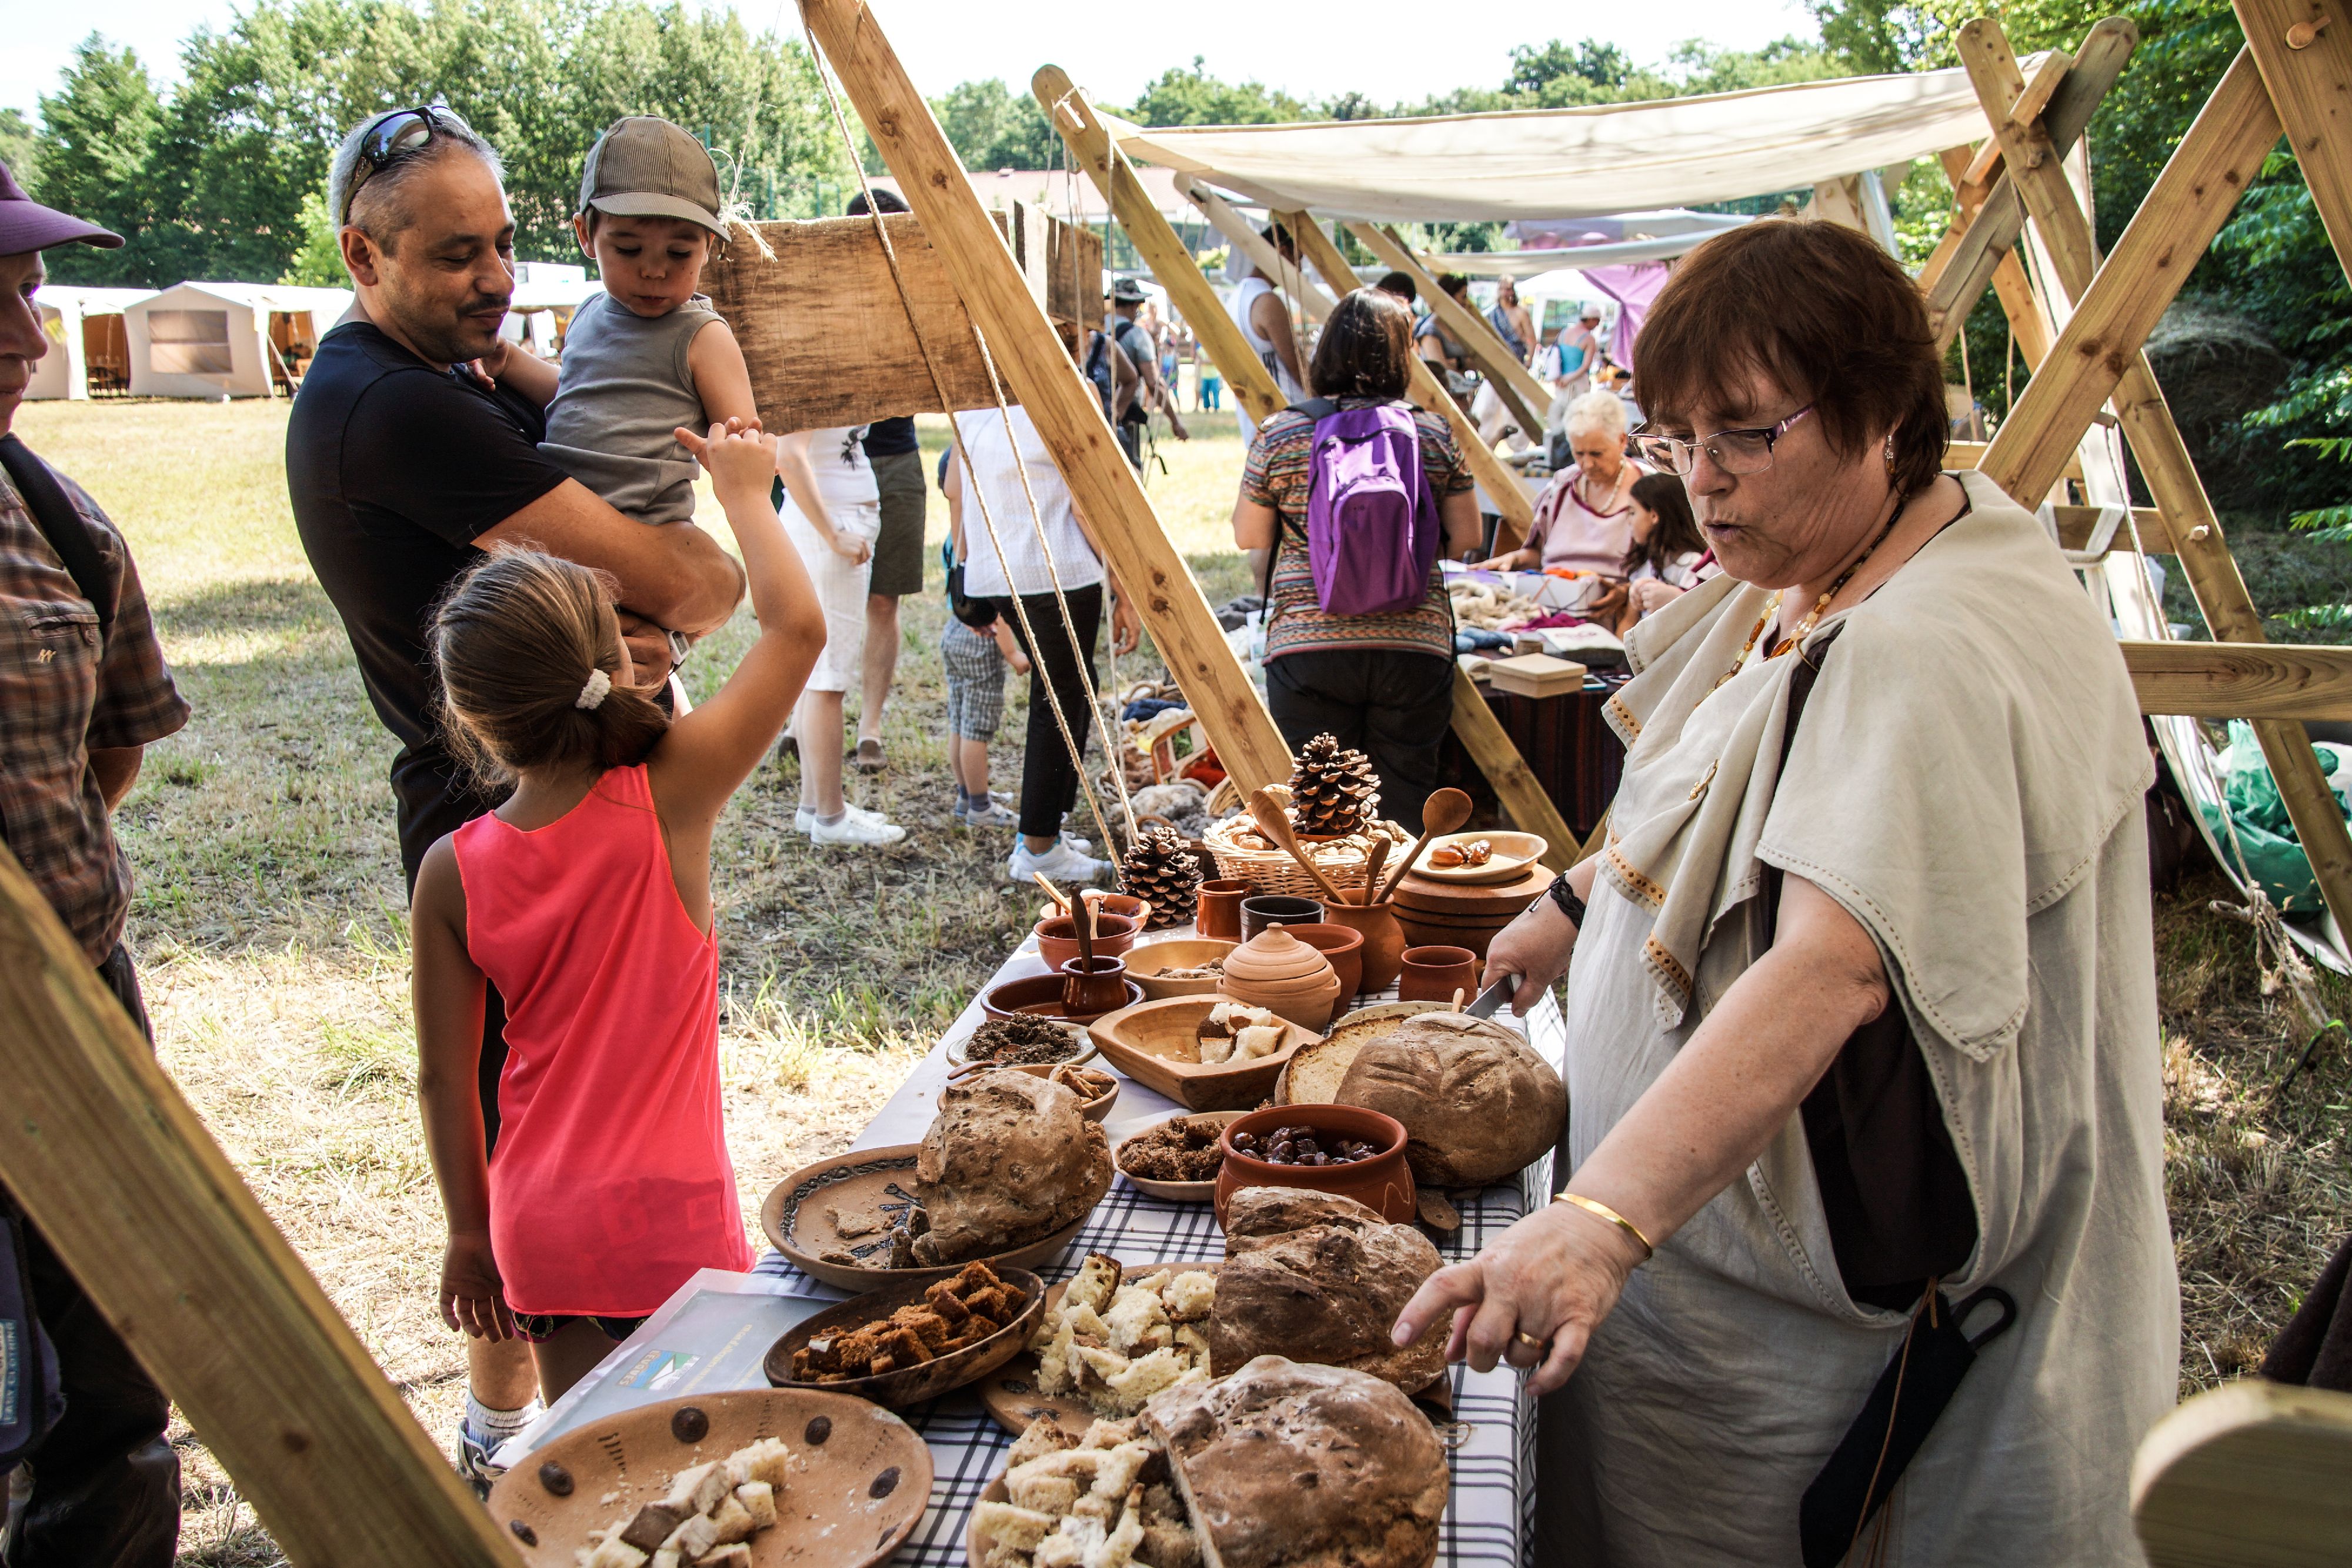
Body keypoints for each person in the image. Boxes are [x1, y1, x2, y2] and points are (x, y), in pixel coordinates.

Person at [1390, 219, 2174, 1563]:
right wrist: (1573, 909)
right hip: (1749, 1302)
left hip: (1847, 1343)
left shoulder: (1920, 644)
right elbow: (1722, 773)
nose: (1703, 478)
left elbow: (1831, 963)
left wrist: (1602, 1214)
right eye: (1679, 437)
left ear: (1879, 415)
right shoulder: (1871, 558)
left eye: (1745, 434)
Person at [286, 104, 746, 1486]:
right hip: (508, 817)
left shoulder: (447, 369)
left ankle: (530, 1429)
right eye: (450, 256)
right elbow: (701, 586)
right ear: (363, 257)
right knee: (529, 1131)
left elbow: (624, 496)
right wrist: (664, 591)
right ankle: (520, 1450)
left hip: (529, 795)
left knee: (566, 1118)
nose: (493, 278)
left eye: (501, 243)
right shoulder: (401, 406)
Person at [414, 421, 822, 1403]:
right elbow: (797, 632)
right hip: (668, 1217)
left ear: (470, 714)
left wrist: (467, 1235)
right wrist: (742, 493)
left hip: (537, 1222)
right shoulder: (671, 795)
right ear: (621, 656)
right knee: (702, 1468)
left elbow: (441, 1079)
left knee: (597, 1470)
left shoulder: (451, 869)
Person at [0, 157, 186, 1568]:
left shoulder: (59, 518)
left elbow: (109, 751)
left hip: (82, 1002)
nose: (27, 333)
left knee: (120, 1372)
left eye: (28, 289)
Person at [1231, 288, 1481, 825]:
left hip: (1308, 646)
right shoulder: (1434, 433)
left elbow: (1249, 535)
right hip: (1414, 647)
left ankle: (1326, 907)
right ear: (1401, 356)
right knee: (1404, 808)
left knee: (1320, 812)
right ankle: (1398, 906)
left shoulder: (1282, 433)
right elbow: (1467, 538)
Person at [950, 397, 1139, 886]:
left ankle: (1045, 831)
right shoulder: (1057, 396)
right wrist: (1124, 587)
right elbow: (1084, 504)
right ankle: (1038, 848)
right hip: (1053, 567)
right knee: (1060, 699)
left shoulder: (971, 404)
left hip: (998, 568)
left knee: (1065, 691)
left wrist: (966, 567)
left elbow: (955, 487)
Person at [778, 423, 906, 846]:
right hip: (829, 528)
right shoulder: (802, 371)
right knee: (828, 679)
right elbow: (790, 456)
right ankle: (832, 819)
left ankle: (813, 808)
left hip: (840, 523)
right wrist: (832, 533)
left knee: (820, 674)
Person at [845, 189, 927, 775]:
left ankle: (868, 724)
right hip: (826, 460)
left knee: (881, 598)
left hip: (894, 458)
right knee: (820, 601)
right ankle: (811, 713)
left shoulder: (914, 295)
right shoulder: (824, 296)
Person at [1477, 390, 1646, 606]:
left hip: (1616, 609)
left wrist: (1626, 593)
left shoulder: (1645, 491)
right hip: (1551, 601)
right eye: (1579, 454)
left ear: (1622, 441)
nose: (1587, 464)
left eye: (1597, 454)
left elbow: (1659, 573)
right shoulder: (1562, 487)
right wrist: (1514, 560)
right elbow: (1537, 555)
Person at [936, 449, 1026, 830]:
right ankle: (980, 808)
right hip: (983, 640)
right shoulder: (988, 540)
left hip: (954, 634)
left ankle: (965, 795)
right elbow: (1000, 613)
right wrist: (1015, 656)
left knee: (960, 722)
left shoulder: (954, 537)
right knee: (977, 731)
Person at [1228, 223, 1307, 448]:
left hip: (1260, 426)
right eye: (1298, 258)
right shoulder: (1267, 302)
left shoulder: (1238, 298)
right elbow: (1299, 369)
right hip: (1288, 428)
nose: (1299, 268)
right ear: (1282, 252)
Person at [1615, 471, 1713, 631]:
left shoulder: (1691, 566)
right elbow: (1628, 623)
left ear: (1654, 516)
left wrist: (1674, 601)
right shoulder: (1645, 562)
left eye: (1633, 513)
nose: (1629, 521)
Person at [1110, 277, 1187, 466]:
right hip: (1123, 417)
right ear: (1135, 305)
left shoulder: (1091, 330)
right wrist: (1175, 421)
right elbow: (1154, 383)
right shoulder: (1137, 336)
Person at [1487, 277, 1534, 366]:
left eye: (1508, 289)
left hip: (1516, 359)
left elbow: (1531, 339)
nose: (1504, 293)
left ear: (1513, 291)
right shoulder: (1491, 314)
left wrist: (1529, 361)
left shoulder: (1521, 312)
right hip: (1496, 358)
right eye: (1501, 289)